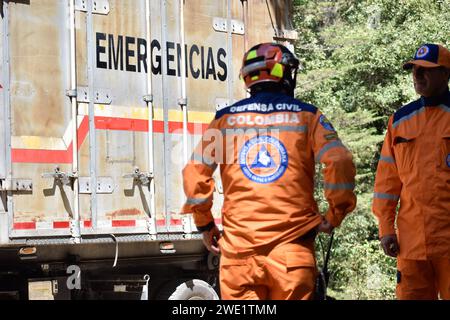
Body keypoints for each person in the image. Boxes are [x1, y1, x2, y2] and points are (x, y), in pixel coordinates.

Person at [181, 43, 356, 300]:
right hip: (292, 254)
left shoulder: (225, 120)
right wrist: (335, 213)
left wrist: (205, 224)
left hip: (239, 257)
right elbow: (339, 160)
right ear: (282, 72)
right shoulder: (307, 116)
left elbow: (194, 173)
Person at [372, 43, 450, 300]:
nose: (418, 75)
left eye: (425, 70)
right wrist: (385, 229)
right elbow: (386, 183)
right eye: (414, 69)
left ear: (445, 74)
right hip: (411, 243)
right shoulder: (400, 120)